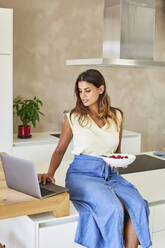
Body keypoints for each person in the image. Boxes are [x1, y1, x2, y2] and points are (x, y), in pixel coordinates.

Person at [38, 69, 152, 248]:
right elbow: (60, 150)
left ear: (101, 89)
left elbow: (117, 151)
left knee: (138, 206)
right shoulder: (73, 117)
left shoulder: (117, 116)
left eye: (87, 90)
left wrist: (118, 163)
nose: (83, 95)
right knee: (115, 209)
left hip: (110, 175)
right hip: (82, 175)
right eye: (80, 91)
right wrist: (50, 173)